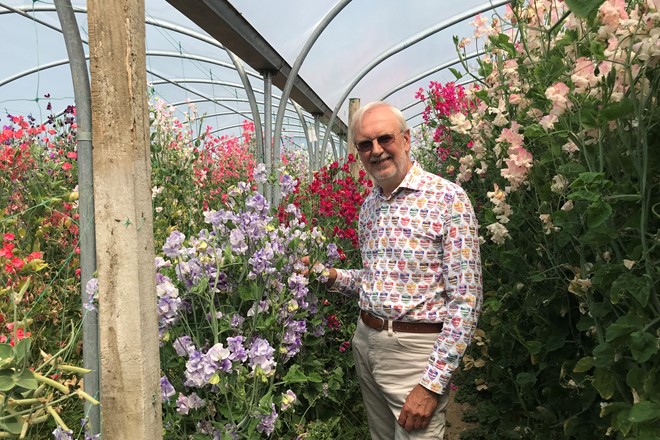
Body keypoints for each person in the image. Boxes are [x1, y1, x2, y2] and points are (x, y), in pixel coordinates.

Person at [321, 101, 482, 439]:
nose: (376, 150)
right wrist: (332, 277)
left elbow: (466, 299)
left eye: (384, 139)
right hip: (367, 341)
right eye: (365, 144)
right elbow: (378, 279)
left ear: (406, 140)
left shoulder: (446, 198)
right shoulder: (371, 204)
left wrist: (432, 383)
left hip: (414, 354)